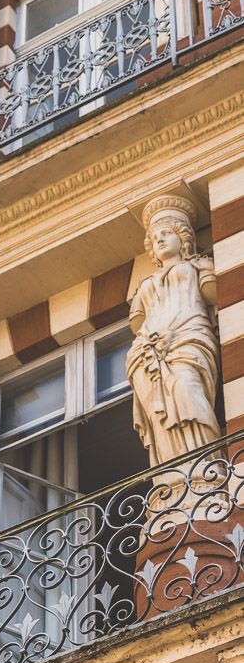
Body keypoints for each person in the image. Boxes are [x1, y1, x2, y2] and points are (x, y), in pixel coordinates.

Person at [127, 194, 220, 466]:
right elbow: (137, 321)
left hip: (190, 338)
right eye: (155, 237)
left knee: (187, 390)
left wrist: (208, 268)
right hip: (147, 351)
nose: (159, 239)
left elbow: (213, 294)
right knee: (159, 416)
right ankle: (174, 477)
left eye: (166, 233)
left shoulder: (198, 265)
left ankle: (206, 468)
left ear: (183, 239)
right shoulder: (146, 283)